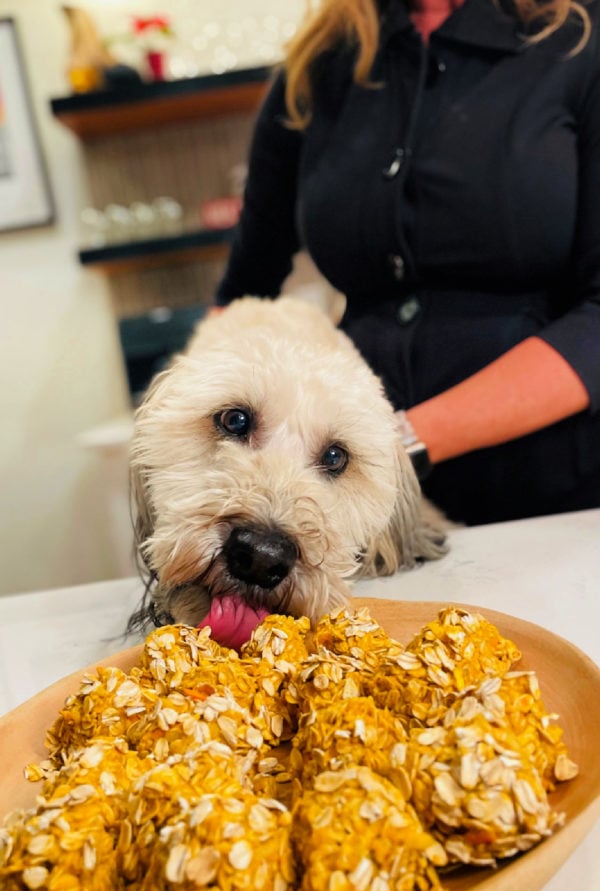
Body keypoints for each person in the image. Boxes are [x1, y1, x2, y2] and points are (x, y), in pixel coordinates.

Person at [214, 0, 600, 526]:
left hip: (553, 491)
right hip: (356, 508)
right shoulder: (315, 67)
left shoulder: (581, 40)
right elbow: (241, 298)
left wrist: (397, 442)